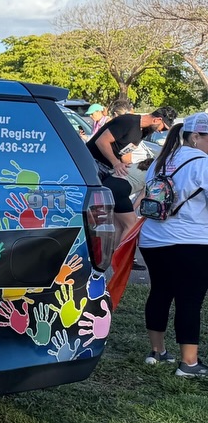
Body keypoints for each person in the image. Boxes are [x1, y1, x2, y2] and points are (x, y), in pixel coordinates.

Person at [140, 112, 208, 379]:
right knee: (189, 299)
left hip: (153, 239)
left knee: (160, 291)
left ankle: (157, 352)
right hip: (191, 241)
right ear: (196, 136)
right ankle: (189, 363)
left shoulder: (162, 160)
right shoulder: (202, 163)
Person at [89, 106, 175, 235]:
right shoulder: (128, 122)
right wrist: (116, 163)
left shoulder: (142, 132)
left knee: (116, 223)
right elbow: (102, 141)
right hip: (93, 163)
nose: (160, 132)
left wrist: (129, 167)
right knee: (113, 220)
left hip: (109, 173)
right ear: (157, 120)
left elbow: (126, 152)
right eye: (163, 128)